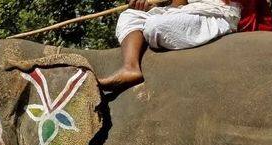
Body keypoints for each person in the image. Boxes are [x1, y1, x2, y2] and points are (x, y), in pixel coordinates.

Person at [99, 0, 243, 90]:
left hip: (216, 13)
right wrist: (151, 4)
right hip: (187, 11)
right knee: (129, 15)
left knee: (154, 26)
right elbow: (179, 4)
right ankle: (130, 68)